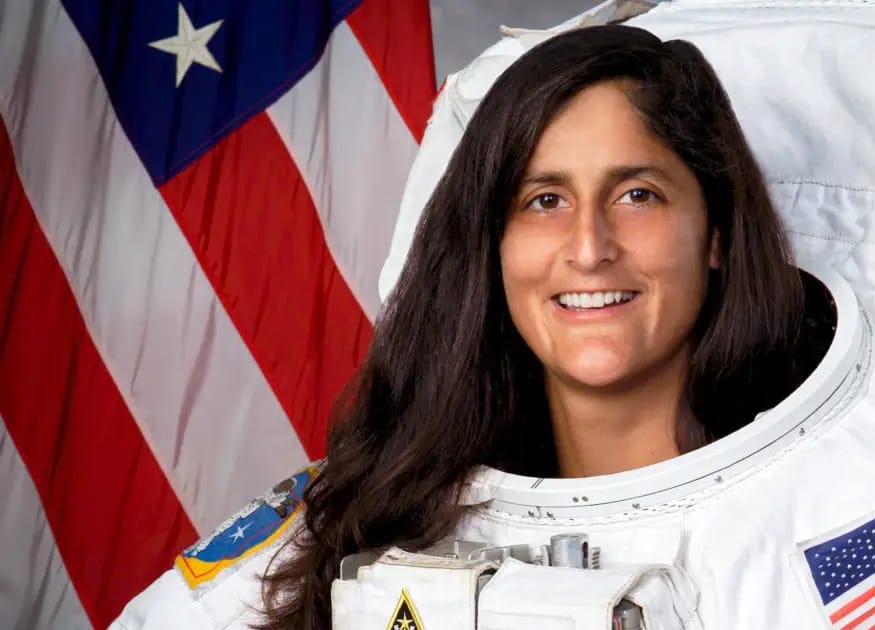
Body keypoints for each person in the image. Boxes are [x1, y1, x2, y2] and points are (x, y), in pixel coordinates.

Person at [112, 24, 831, 630]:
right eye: (544, 200)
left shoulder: (825, 513)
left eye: (637, 194)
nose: (589, 248)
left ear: (715, 235)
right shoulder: (369, 510)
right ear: (492, 246)